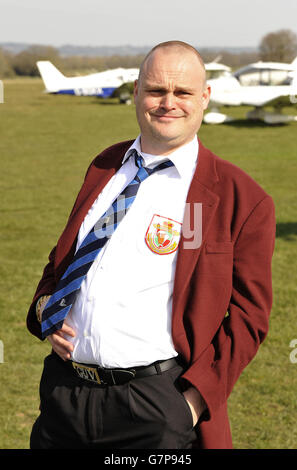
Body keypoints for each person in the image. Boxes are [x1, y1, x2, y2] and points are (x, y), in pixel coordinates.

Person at [27, 40, 275, 449]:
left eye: (182, 92)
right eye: (156, 90)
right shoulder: (106, 165)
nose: (168, 103)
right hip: (65, 397)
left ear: (205, 97)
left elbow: (249, 318)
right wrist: (45, 307)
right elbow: (64, 257)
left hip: (155, 407)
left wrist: (191, 402)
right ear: (137, 93)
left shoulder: (238, 196)